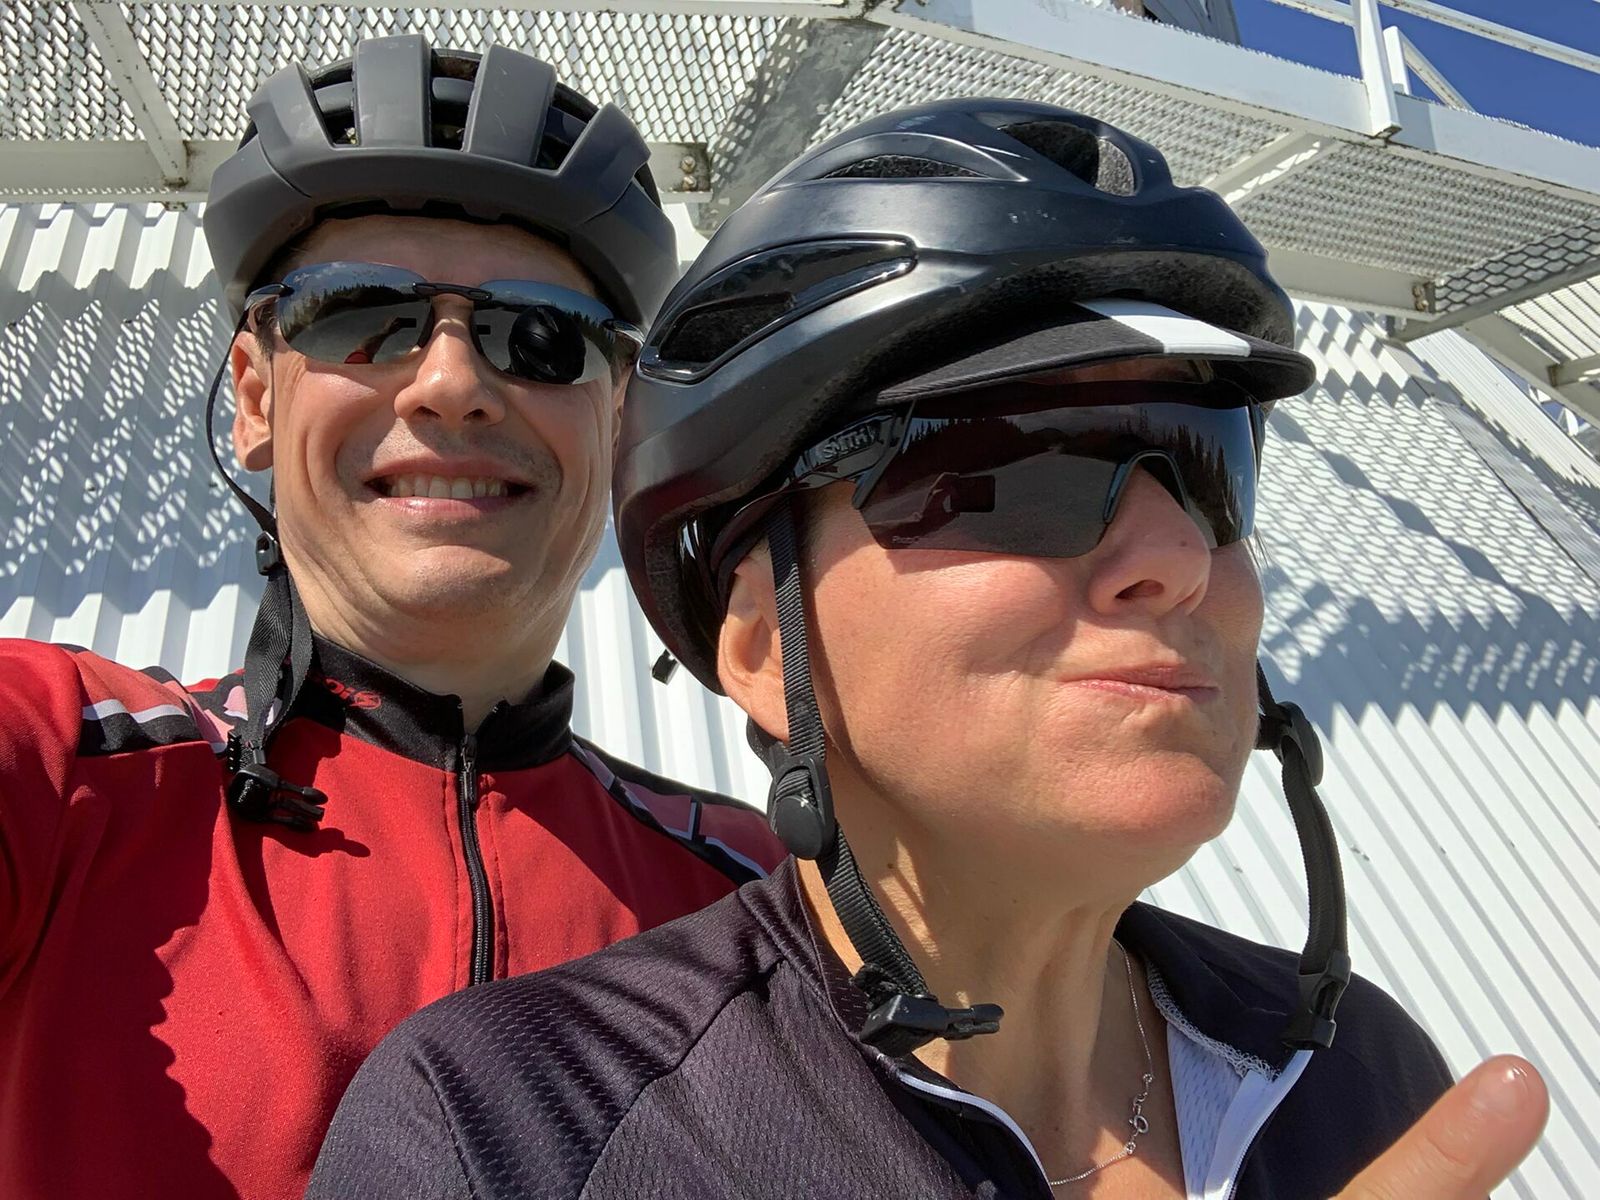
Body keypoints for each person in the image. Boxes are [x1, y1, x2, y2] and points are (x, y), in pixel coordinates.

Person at [310, 99, 1550, 1198]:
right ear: (761, 642)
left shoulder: (1355, 1069)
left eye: (1211, 473)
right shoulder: (518, 1133)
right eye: (1016, 471)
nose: (1180, 556)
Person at [0, 35, 782, 1200]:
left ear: (617, 425)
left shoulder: (754, 892)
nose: (452, 384)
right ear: (255, 398)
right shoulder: (67, 764)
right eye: (359, 313)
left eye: (541, 336)